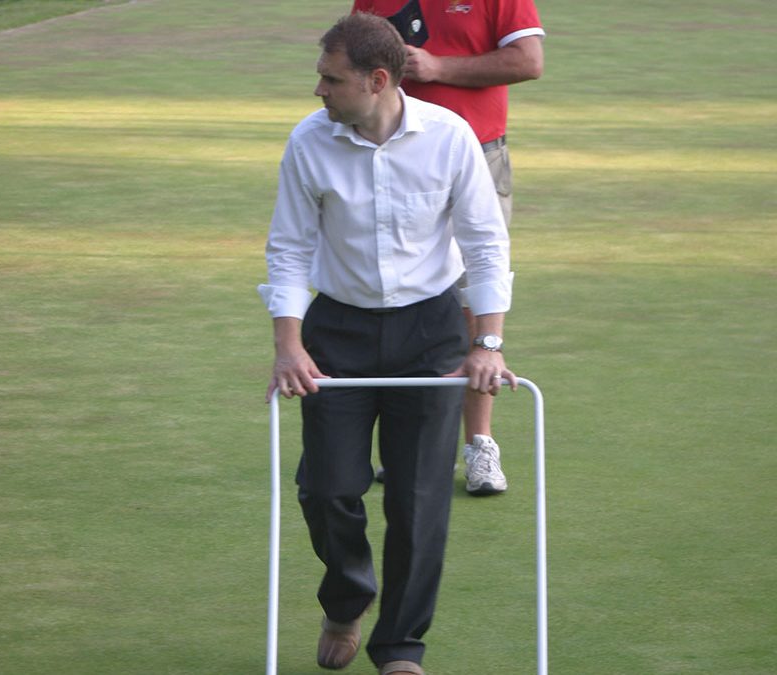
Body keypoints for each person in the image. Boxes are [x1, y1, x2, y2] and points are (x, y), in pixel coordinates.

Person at [259, 13, 516, 675]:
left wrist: (486, 341)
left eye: (330, 78)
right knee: (327, 489)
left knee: (419, 498)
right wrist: (288, 344)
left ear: (377, 81)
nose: (318, 90)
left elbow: (486, 244)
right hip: (337, 329)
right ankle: (347, 598)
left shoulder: (450, 138)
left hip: (428, 331)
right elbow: (288, 249)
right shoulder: (309, 142)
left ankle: (400, 645)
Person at [352, 0, 545, 495]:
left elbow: (528, 60)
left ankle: (480, 446)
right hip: (395, 158)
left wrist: (439, 68)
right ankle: (409, 447)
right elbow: (352, 58)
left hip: (478, 154)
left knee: (476, 298)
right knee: (399, 289)